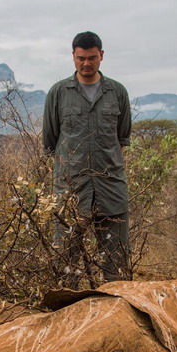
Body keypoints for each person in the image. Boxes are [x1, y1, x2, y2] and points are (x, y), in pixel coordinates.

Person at [43, 31, 132, 285]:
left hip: (111, 189)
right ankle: (65, 316)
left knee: (116, 263)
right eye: (81, 58)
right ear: (73, 56)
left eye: (92, 57)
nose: (86, 63)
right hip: (71, 189)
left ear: (101, 55)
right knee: (65, 265)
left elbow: (121, 140)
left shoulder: (117, 92)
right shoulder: (58, 93)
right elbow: (51, 142)